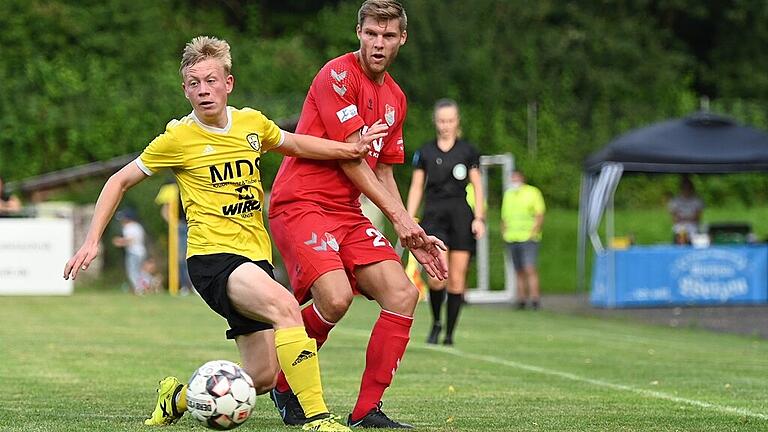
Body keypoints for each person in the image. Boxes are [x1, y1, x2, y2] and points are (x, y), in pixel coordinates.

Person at [63, 35, 388, 432]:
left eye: (211, 80)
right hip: (213, 260)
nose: (204, 90)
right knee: (287, 308)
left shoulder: (251, 123)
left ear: (228, 83)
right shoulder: (178, 139)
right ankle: (319, 419)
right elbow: (119, 180)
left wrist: (348, 151)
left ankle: (178, 397)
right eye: (195, 83)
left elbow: (296, 144)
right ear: (185, 90)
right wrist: (92, 239)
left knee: (264, 376)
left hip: (255, 259)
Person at [268, 1, 448, 428]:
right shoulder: (337, 75)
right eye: (371, 33)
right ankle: (284, 382)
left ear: (402, 38)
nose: (378, 43)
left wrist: (411, 229)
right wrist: (401, 220)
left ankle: (367, 410)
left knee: (403, 295)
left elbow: (383, 168)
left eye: (388, 35)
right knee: (335, 297)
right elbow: (352, 158)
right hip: (301, 203)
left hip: (346, 212)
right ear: (358, 33)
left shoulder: (396, 99)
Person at [405, 98, 484, 346]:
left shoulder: (468, 151)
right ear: (435, 122)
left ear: (456, 121)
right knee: (438, 276)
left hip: (461, 215)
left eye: (450, 120)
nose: (445, 125)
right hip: (434, 216)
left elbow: (478, 187)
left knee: (457, 278)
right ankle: (436, 322)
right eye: (441, 121)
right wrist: (408, 218)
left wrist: (479, 218)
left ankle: (450, 333)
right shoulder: (425, 152)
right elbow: (417, 186)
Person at [501, 170, 545, 310]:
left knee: (529, 268)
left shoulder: (533, 192)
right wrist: (504, 232)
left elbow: (539, 214)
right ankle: (521, 299)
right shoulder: (508, 195)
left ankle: (535, 298)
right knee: (518, 270)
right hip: (512, 237)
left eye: (516, 178)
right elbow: (505, 216)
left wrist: (533, 232)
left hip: (528, 237)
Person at [155, 180, 194, 294]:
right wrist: (174, 224)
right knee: (182, 258)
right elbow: (165, 210)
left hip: (194, 225)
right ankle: (186, 286)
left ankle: (193, 287)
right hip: (182, 226)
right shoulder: (172, 187)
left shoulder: (192, 184)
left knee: (193, 257)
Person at [112, 208, 148, 294]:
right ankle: (143, 287)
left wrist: (118, 242)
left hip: (134, 252)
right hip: (141, 251)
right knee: (140, 272)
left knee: (133, 272)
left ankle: (139, 289)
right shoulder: (138, 226)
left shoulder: (129, 227)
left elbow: (130, 240)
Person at [668, 175, 704, 245]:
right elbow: (674, 218)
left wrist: (683, 218)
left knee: (693, 231)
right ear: (681, 189)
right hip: (679, 226)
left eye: (688, 188)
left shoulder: (697, 201)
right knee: (679, 231)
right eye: (684, 188)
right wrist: (689, 218)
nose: (686, 190)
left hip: (693, 226)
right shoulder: (675, 201)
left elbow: (697, 218)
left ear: (692, 188)